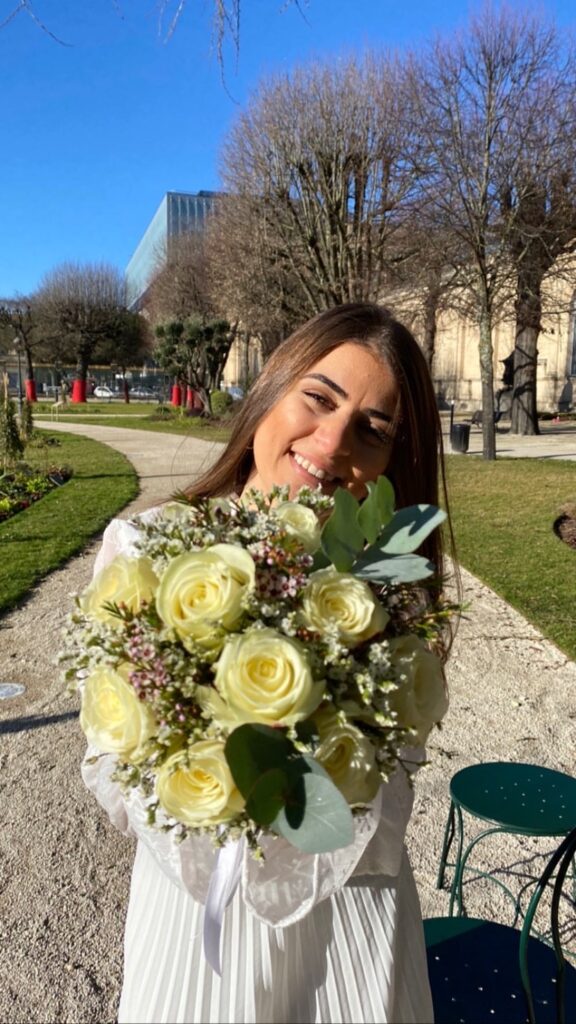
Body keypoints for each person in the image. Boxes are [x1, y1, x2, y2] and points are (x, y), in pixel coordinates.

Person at [82, 302, 453, 1024]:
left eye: (373, 431)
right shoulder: (145, 548)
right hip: (196, 915)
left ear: (389, 463)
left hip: (350, 912)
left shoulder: (388, 588)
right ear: (271, 389)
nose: (334, 438)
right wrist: (216, 783)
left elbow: (394, 786)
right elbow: (107, 760)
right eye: (319, 397)